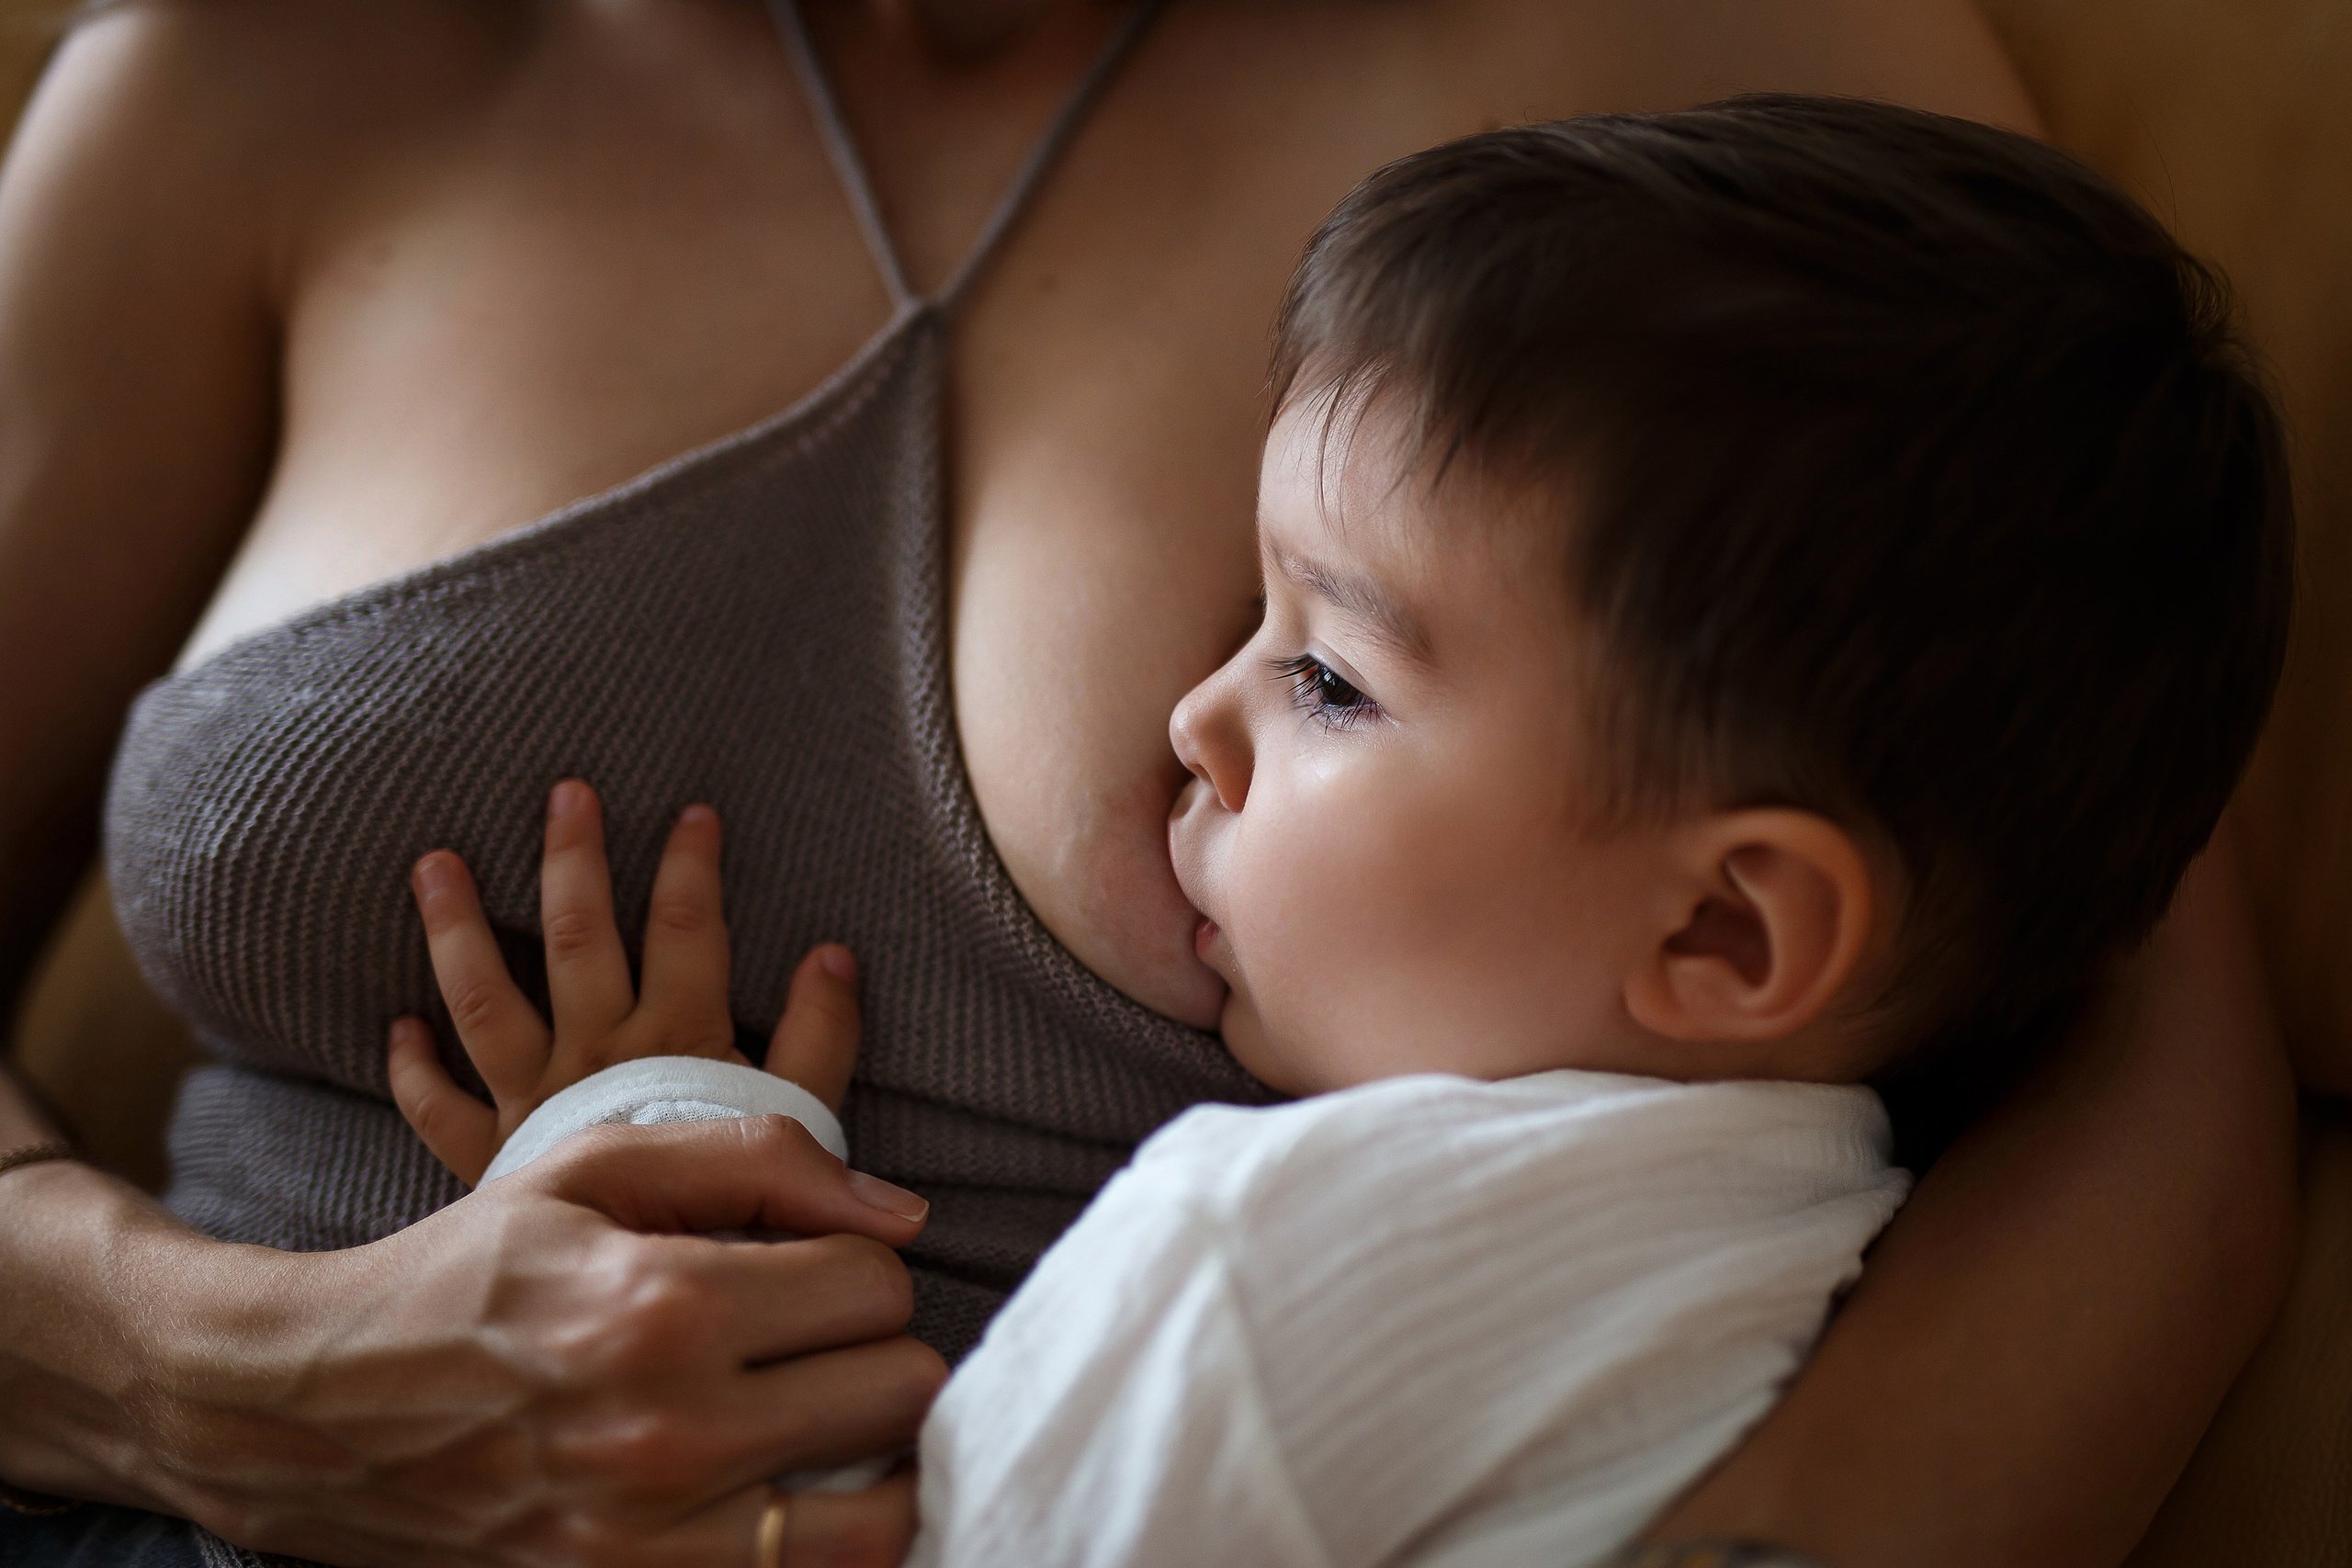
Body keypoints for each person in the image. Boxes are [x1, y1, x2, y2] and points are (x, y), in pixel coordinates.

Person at [0, 3, 2302, 1566]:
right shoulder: (244, 68)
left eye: (1312, 670)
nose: (1210, 717)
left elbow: (2132, 1032)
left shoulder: (1717, 67)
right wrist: (224, 1376)